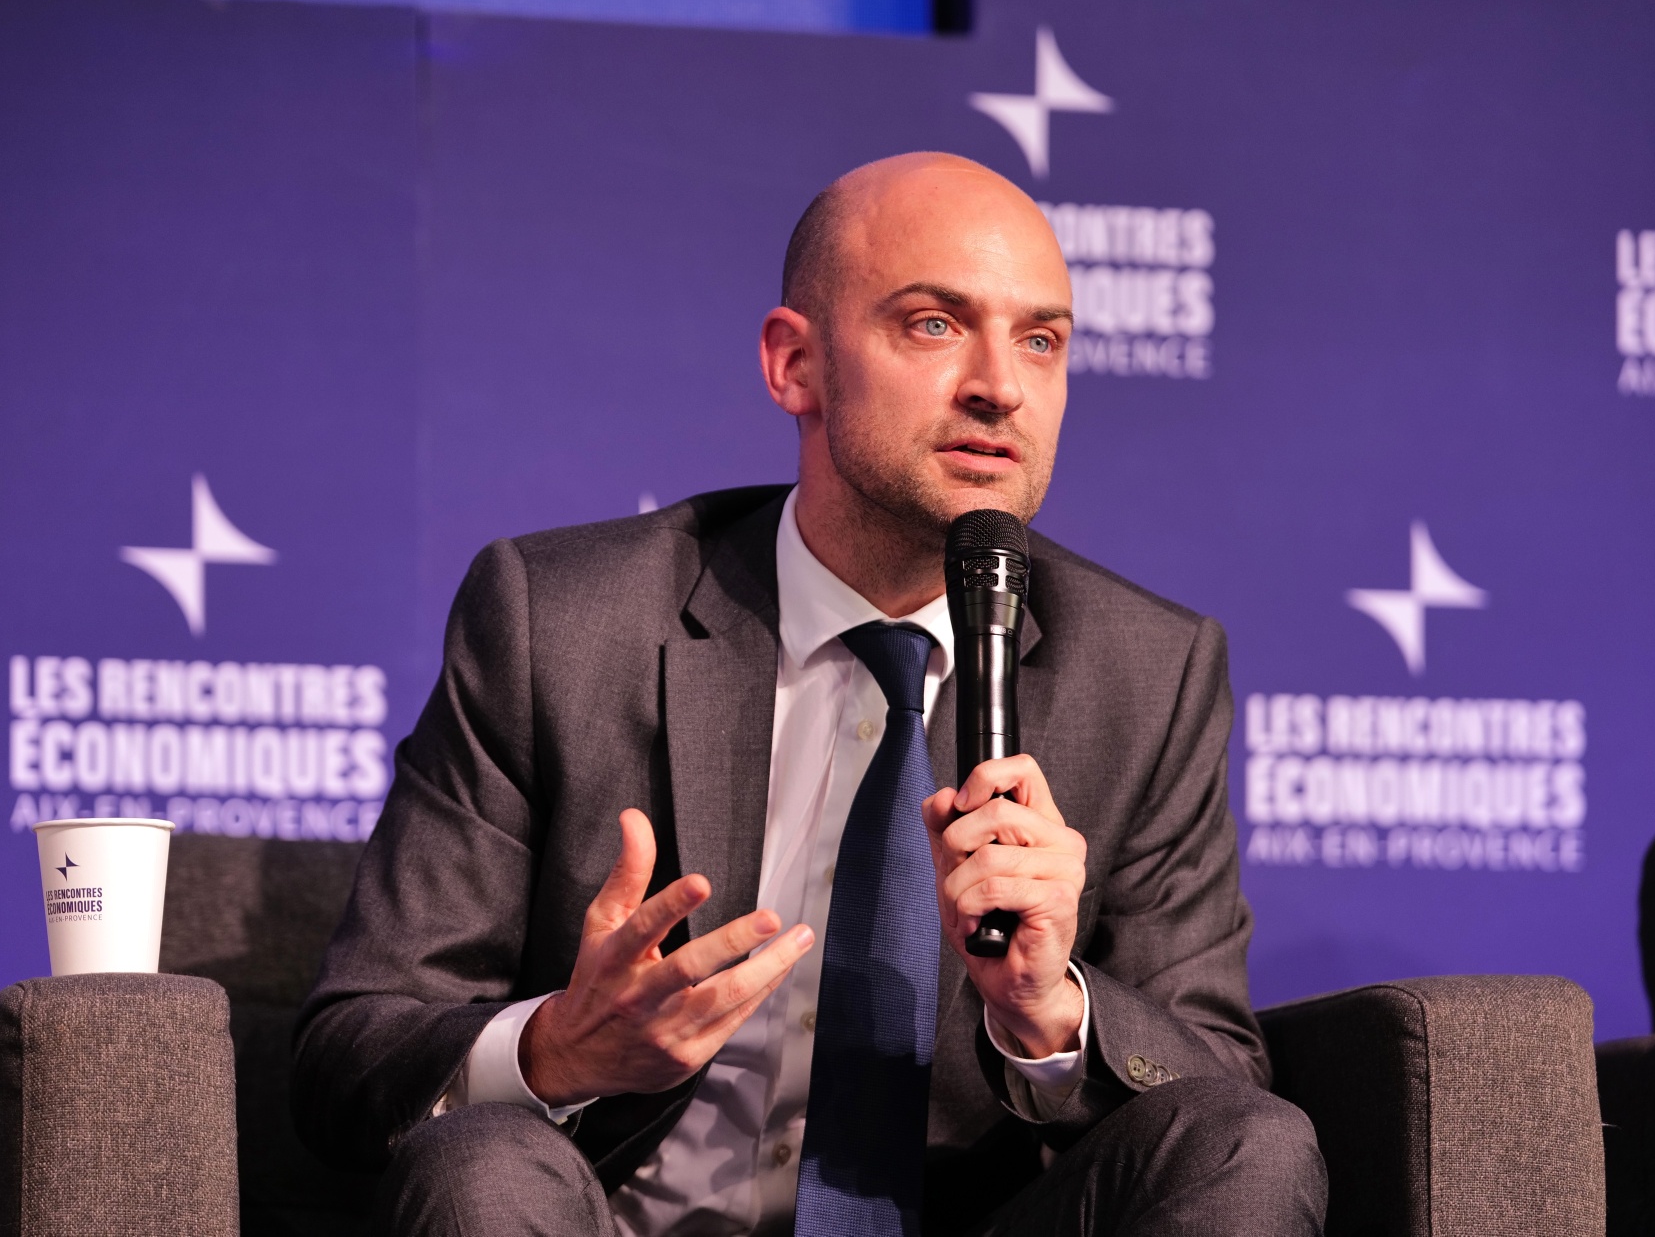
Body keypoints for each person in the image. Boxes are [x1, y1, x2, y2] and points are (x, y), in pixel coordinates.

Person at [293, 152, 1326, 1236]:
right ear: (794, 364)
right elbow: (351, 1051)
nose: (999, 385)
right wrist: (558, 1046)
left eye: (1039, 340)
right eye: (933, 324)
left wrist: (1048, 1007)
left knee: (1244, 1141)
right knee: (483, 1162)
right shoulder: (557, 620)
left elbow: (1216, 1077)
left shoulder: (1144, 671)